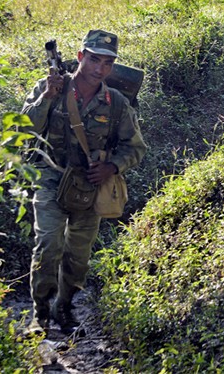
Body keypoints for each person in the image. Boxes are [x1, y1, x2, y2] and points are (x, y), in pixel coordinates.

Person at [22, 29, 146, 335]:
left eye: (106, 63)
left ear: (112, 67)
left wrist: (112, 167)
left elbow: (136, 147)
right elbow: (23, 129)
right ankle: (39, 314)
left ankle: (63, 308)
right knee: (49, 243)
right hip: (50, 175)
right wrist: (46, 98)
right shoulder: (50, 87)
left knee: (78, 255)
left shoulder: (115, 102)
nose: (99, 68)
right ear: (80, 57)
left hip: (90, 184)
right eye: (93, 60)